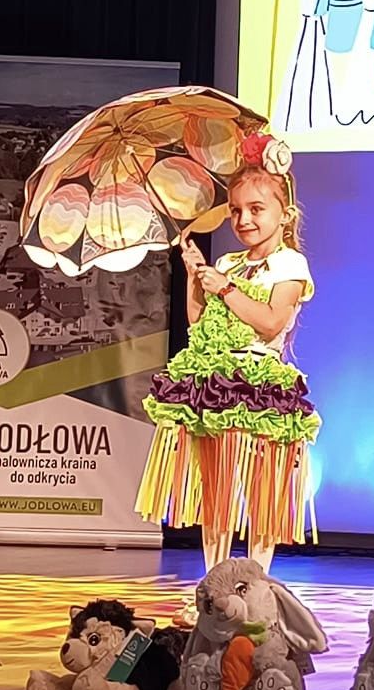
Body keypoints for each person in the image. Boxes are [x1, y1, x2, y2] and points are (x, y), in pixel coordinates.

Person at [135, 132, 319, 572]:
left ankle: (256, 579)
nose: (244, 219)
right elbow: (199, 323)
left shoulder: (290, 264)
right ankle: (214, 576)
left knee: (261, 494)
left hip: (259, 385)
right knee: (216, 493)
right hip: (217, 386)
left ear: (284, 214)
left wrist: (226, 289)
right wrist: (195, 277)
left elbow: (271, 321)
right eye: (236, 210)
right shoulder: (228, 263)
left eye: (256, 209)